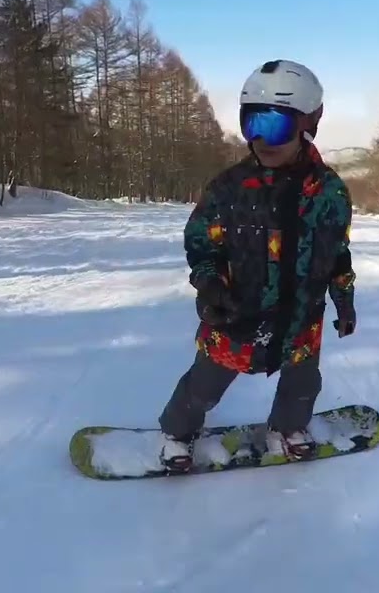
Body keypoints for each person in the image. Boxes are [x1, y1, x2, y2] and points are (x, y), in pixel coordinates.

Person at [156, 59, 357, 472]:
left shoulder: (330, 193)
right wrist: (209, 282)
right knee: (204, 385)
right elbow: (200, 243)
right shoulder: (229, 189)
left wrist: (345, 298)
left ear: (307, 125)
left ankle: (287, 428)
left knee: (302, 385)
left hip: (302, 317)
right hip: (237, 313)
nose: (262, 140)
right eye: (252, 124)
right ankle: (177, 432)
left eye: (276, 126)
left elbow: (338, 251)